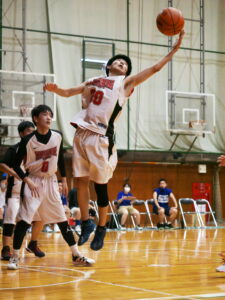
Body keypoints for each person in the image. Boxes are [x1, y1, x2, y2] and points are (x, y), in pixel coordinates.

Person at [44, 30, 184, 251]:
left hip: (101, 137)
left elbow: (155, 69)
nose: (121, 63)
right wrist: (57, 90)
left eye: (125, 64)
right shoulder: (94, 80)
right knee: (80, 181)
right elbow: (69, 92)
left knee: (100, 187)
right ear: (108, 65)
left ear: (126, 72)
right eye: (117, 61)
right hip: (81, 134)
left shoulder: (124, 84)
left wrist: (174, 50)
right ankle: (86, 223)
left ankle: (101, 228)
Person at [7, 105, 94, 270]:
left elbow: (60, 159)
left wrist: (64, 180)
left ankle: (76, 255)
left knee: (62, 219)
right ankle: (15, 256)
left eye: (50, 115)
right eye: (44, 114)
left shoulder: (58, 136)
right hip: (34, 181)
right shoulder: (27, 140)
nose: (48, 117)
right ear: (35, 118)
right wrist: (27, 180)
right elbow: (15, 165)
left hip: (52, 181)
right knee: (24, 220)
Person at [0, 121, 45, 260]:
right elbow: (1, 164)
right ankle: (6, 248)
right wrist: (14, 173)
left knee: (41, 217)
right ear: (21, 134)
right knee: (10, 220)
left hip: (33, 192)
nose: (31, 133)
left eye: (33, 131)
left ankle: (33, 243)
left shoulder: (38, 149)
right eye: (28, 131)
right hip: (15, 191)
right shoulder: (15, 149)